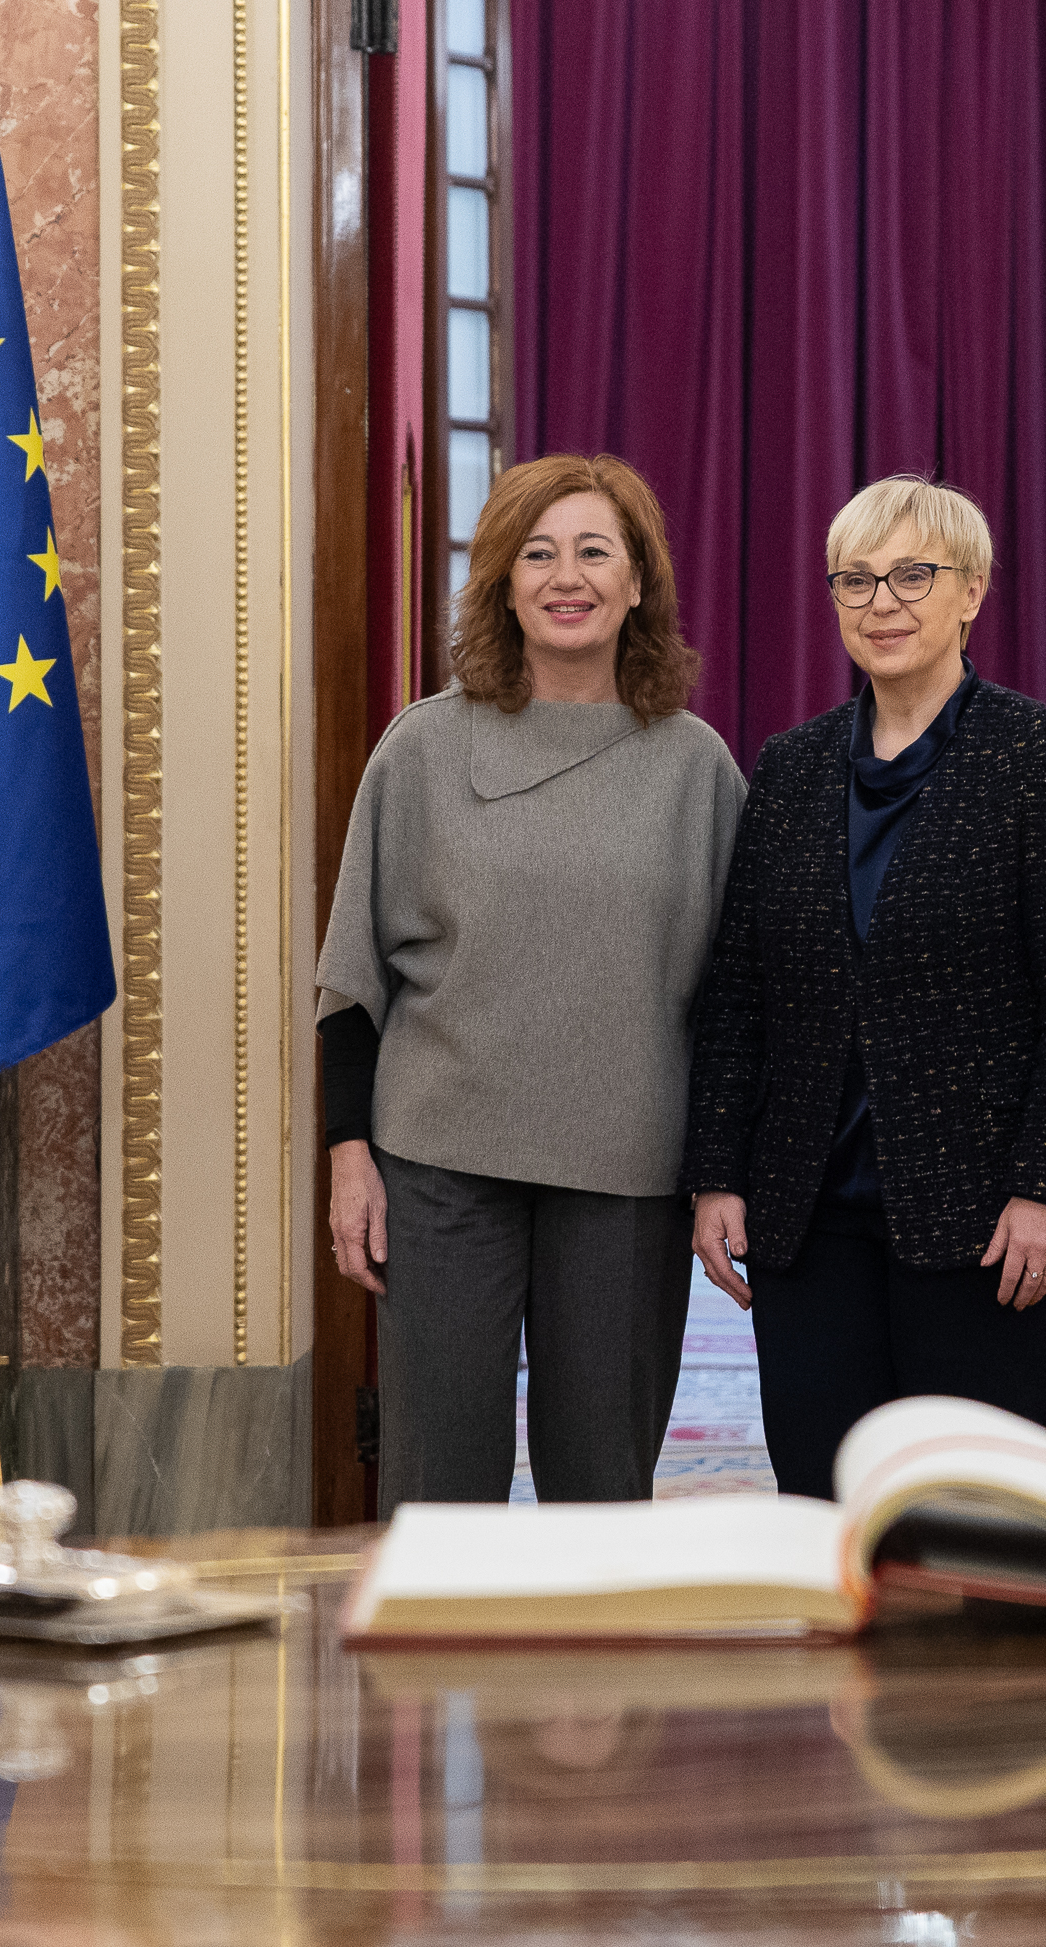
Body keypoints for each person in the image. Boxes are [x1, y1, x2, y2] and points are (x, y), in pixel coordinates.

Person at [685, 474, 1046, 1499]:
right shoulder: (791, 768)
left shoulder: (1043, 756)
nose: (882, 602)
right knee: (826, 1508)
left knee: (972, 1525)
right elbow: (740, 988)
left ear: (972, 591)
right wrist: (717, 1169)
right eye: (857, 579)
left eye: (913, 575)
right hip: (810, 1227)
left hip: (988, 1224)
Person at [316, 454, 745, 1508]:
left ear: (638, 582)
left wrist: (725, 1174)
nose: (568, 575)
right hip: (439, 1165)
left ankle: (589, 1680)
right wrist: (348, 1158)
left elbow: (741, 1003)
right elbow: (352, 983)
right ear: (502, 583)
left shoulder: (699, 770)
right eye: (537, 553)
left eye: (596, 550)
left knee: (602, 1484)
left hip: (629, 1176)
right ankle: (422, 1677)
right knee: (436, 1483)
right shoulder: (418, 748)